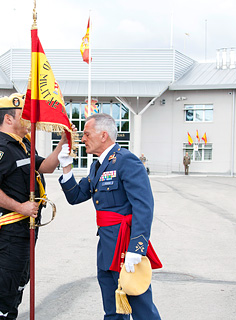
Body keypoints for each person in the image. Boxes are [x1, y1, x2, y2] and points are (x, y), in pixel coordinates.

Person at [57, 113, 161, 320]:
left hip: (125, 246)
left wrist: (136, 249)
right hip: (106, 246)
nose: (83, 139)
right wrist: (66, 167)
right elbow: (76, 196)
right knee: (113, 308)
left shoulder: (126, 161)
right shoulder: (97, 166)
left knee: (141, 307)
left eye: (86, 134)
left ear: (103, 135)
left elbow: (143, 207)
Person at [0, 93, 67, 319]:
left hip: (26, 231)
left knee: (17, 287)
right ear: (8, 119)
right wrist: (20, 207)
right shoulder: (2, 149)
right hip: (10, 234)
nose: (29, 120)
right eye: (23, 115)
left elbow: (44, 167)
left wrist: (63, 143)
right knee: (0, 296)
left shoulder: (24, 145)